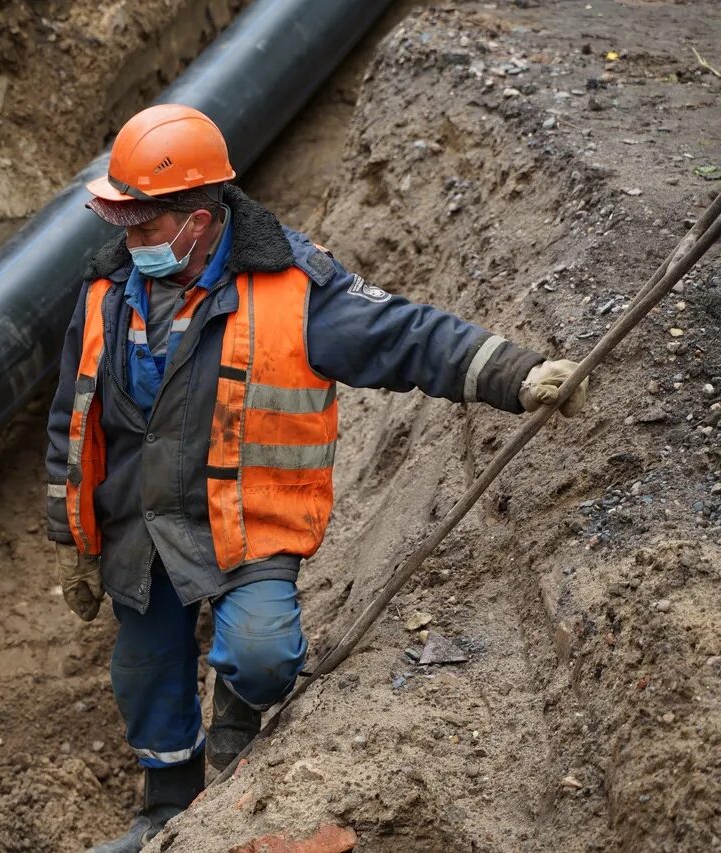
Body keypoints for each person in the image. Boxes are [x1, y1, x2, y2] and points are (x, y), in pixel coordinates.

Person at [44, 104, 587, 852]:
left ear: (198, 220)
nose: (128, 241)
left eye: (143, 226)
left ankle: (235, 748)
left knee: (262, 655)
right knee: (143, 673)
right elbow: (71, 420)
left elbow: (404, 335)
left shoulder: (293, 287)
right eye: (123, 224)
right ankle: (165, 808)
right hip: (139, 527)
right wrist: (75, 538)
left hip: (244, 524)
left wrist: (518, 375)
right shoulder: (107, 288)